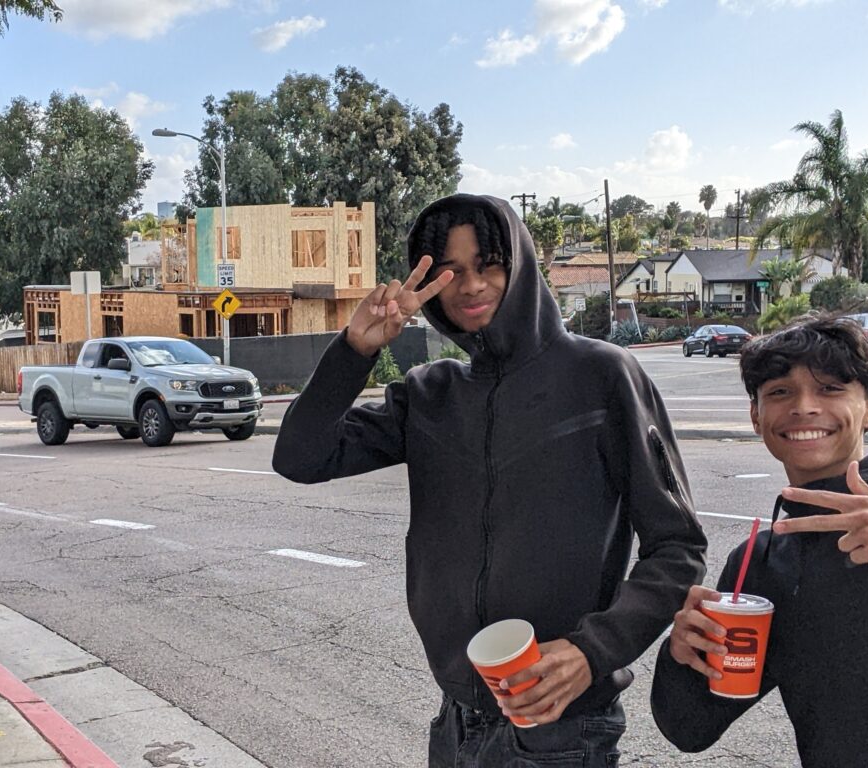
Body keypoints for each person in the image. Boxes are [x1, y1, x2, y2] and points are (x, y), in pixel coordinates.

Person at [273, 194, 707, 766]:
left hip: (563, 728)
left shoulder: (600, 375)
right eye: (451, 271)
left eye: (489, 264)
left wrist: (592, 652)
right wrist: (355, 352)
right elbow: (301, 457)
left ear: (520, 265)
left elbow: (678, 548)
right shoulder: (430, 393)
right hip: (458, 721)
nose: (470, 286)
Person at [652, 314, 868, 767]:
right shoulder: (761, 563)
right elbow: (690, 728)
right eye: (780, 392)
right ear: (755, 416)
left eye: (830, 389)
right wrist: (682, 654)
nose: (803, 406)